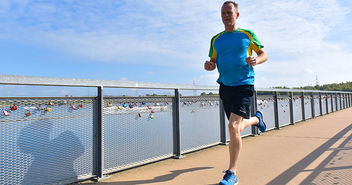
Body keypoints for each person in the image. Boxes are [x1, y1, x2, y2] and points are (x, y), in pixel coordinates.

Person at [204, 1, 268, 185]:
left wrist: (256, 60)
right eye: (223, 12)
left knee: (233, 127)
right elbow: (213, 61)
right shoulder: (216, 39)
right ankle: (257, 120)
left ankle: (232, 173)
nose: (226, 15)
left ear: (236, 15)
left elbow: (264, 54)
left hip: (244, 84)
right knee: (236, 129)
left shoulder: (247, 34)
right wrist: (209, 66)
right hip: (225, 86)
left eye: (229, 12)